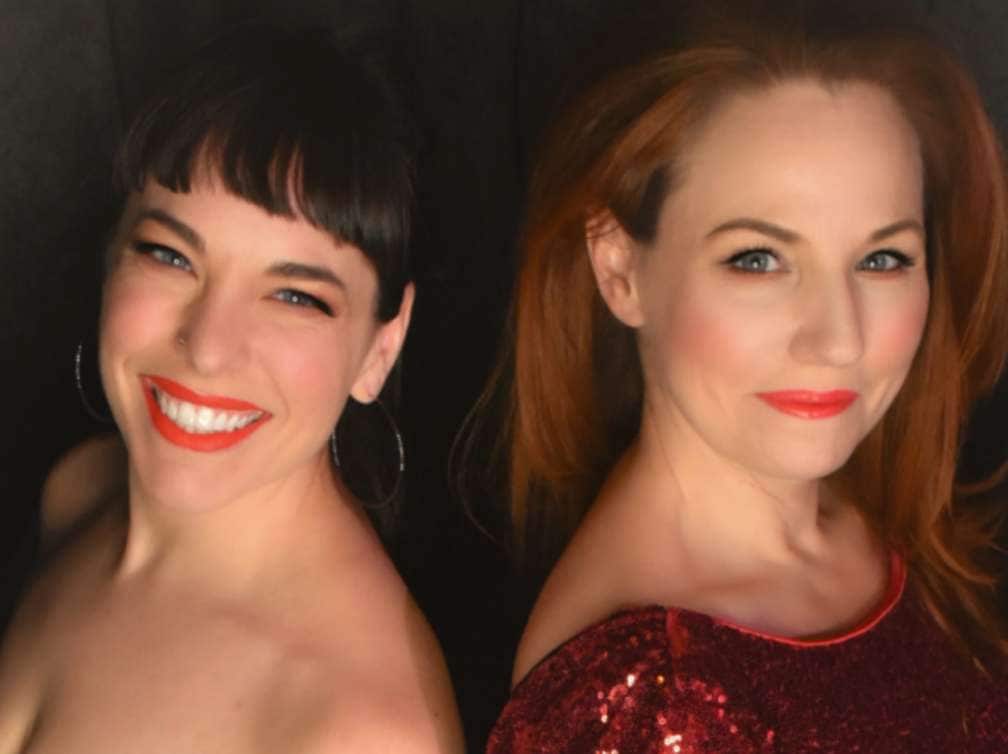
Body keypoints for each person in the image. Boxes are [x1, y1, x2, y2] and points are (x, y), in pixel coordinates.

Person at [485, 1, 1008, 750]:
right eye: (758, 260)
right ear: (620, 269)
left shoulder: (883, 520)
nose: (838, 340)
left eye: (882, 258)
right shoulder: (636, 707)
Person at [0, 26, 464, 753]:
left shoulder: (362, 732)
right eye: (169, 255)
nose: (209, 348)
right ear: (111, 255)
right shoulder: (77, 491)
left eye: (295, 296)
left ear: (383, 345)